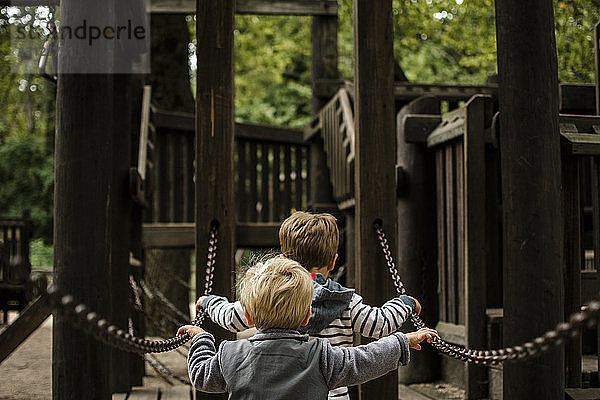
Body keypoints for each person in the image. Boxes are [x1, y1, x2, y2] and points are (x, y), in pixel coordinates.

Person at [197, 211, 422, 400]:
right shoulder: (346, 301)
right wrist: (404, 304)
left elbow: (230, 317)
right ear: (333, 261)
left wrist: (209, 302)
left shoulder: (269, 296)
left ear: (285, 257)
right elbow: (380, 324)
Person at [178, 256, 438, 400]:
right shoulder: (320, 356)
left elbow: (201, 376)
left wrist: (202, 338)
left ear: (248, 315)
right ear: (306, 317)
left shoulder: (231, 355)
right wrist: (403, 341)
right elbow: (365, 359)